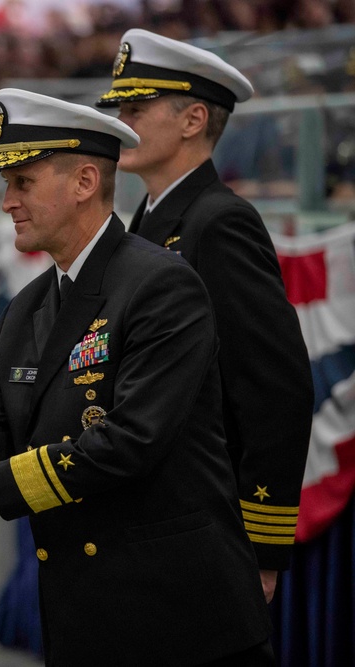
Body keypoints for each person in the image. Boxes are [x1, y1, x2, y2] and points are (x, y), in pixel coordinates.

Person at [0, 88, 274, 666]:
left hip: (181, 618)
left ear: (85, 182)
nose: (8, 202)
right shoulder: (28, 306)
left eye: (23, 183)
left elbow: (128, 443)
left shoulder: (162, 284)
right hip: (85, 617)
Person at [95, 28, 314, 601]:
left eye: (137, 108)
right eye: (118, 108)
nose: (122, 122)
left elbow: (274, 388)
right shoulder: (144, 223)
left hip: (205, 518)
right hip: (152, 510)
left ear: (193, 120)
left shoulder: (219, 223)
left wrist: (262, 543)